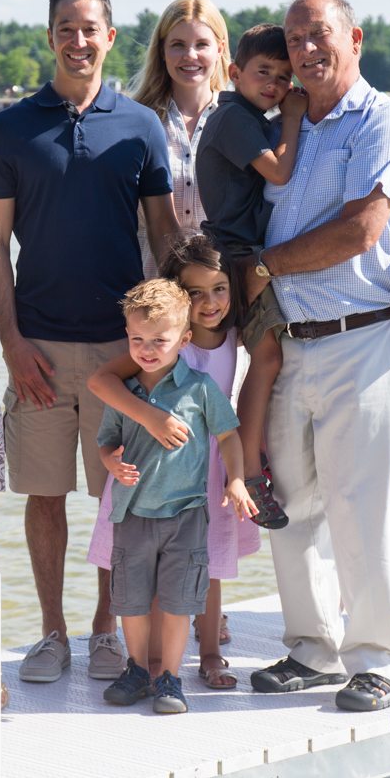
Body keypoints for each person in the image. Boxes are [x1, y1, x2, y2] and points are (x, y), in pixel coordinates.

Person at [0, 0, 177, 685]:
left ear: (111, 37)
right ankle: (52, 634)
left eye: (91, 28)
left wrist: (162, 347)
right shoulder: (10, 129)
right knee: (42, 496)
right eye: (66, 27)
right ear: (50, 35)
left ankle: (104, 631)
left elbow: (164, 238)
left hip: (120, 352)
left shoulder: (142, 126)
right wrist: (11, 343)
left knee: (117, 496)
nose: (79, 40)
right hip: (37, 344)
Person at [243, 0, 390, 713]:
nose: (306, 50)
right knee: (289, 504)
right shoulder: (289, 128)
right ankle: (312, 649)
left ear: (355, 38)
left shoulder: (385, 120)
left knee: (360, 503)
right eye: (295, 40)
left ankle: (377, 657)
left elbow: (362, 228)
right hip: (289, 343)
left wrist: (262, 267)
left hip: (363, 336)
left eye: (320, 35)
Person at [85, 235, 261, 689]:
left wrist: (238, 478)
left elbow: (228, 426)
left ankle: (210, 653)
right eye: (196, 292)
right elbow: (102, 382)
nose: (210, 301)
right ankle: (153, 663)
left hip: (208, 471)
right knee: (148, 563)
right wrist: (151, 417)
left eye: (219, 288)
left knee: (210, 561)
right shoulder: (157, 344)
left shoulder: (234, 339)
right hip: (151, 470)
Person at [194, 22, 306, 523]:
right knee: (264, 355)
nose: (275, 85)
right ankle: (249, 464)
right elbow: (279, 172)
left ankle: (243, 455)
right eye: (263, 73)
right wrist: (295, 116)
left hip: (242, 250)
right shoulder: (234, 118)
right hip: (235, 254)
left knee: (260, 356)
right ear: (234, 71)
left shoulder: (251, 115)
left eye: (284, 78)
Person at [130, 0, 231, 275]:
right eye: (178, 45)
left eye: (201, 44)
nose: (190, 55)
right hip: (148, 283)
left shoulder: (239, 121)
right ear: (162, 51)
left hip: (220, 289)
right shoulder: (136, 121)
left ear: (220, 48)